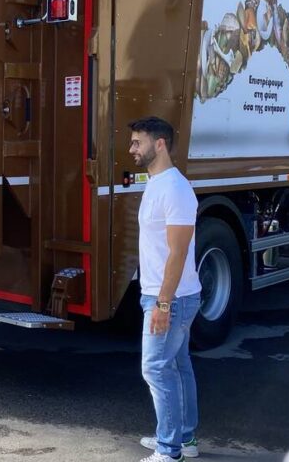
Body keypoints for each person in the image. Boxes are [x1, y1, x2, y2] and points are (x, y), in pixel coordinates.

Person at [128, 117, 203, 462]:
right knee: (176, 364)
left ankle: (169, 449)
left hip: (171, 296)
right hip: (166, 294)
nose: (132, 149)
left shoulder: (175, 188)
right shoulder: (156, 183)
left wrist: (163, 303)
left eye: (137, 142)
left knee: (156, 368)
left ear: (159, 144)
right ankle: (183, 439)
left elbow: (178, 251)